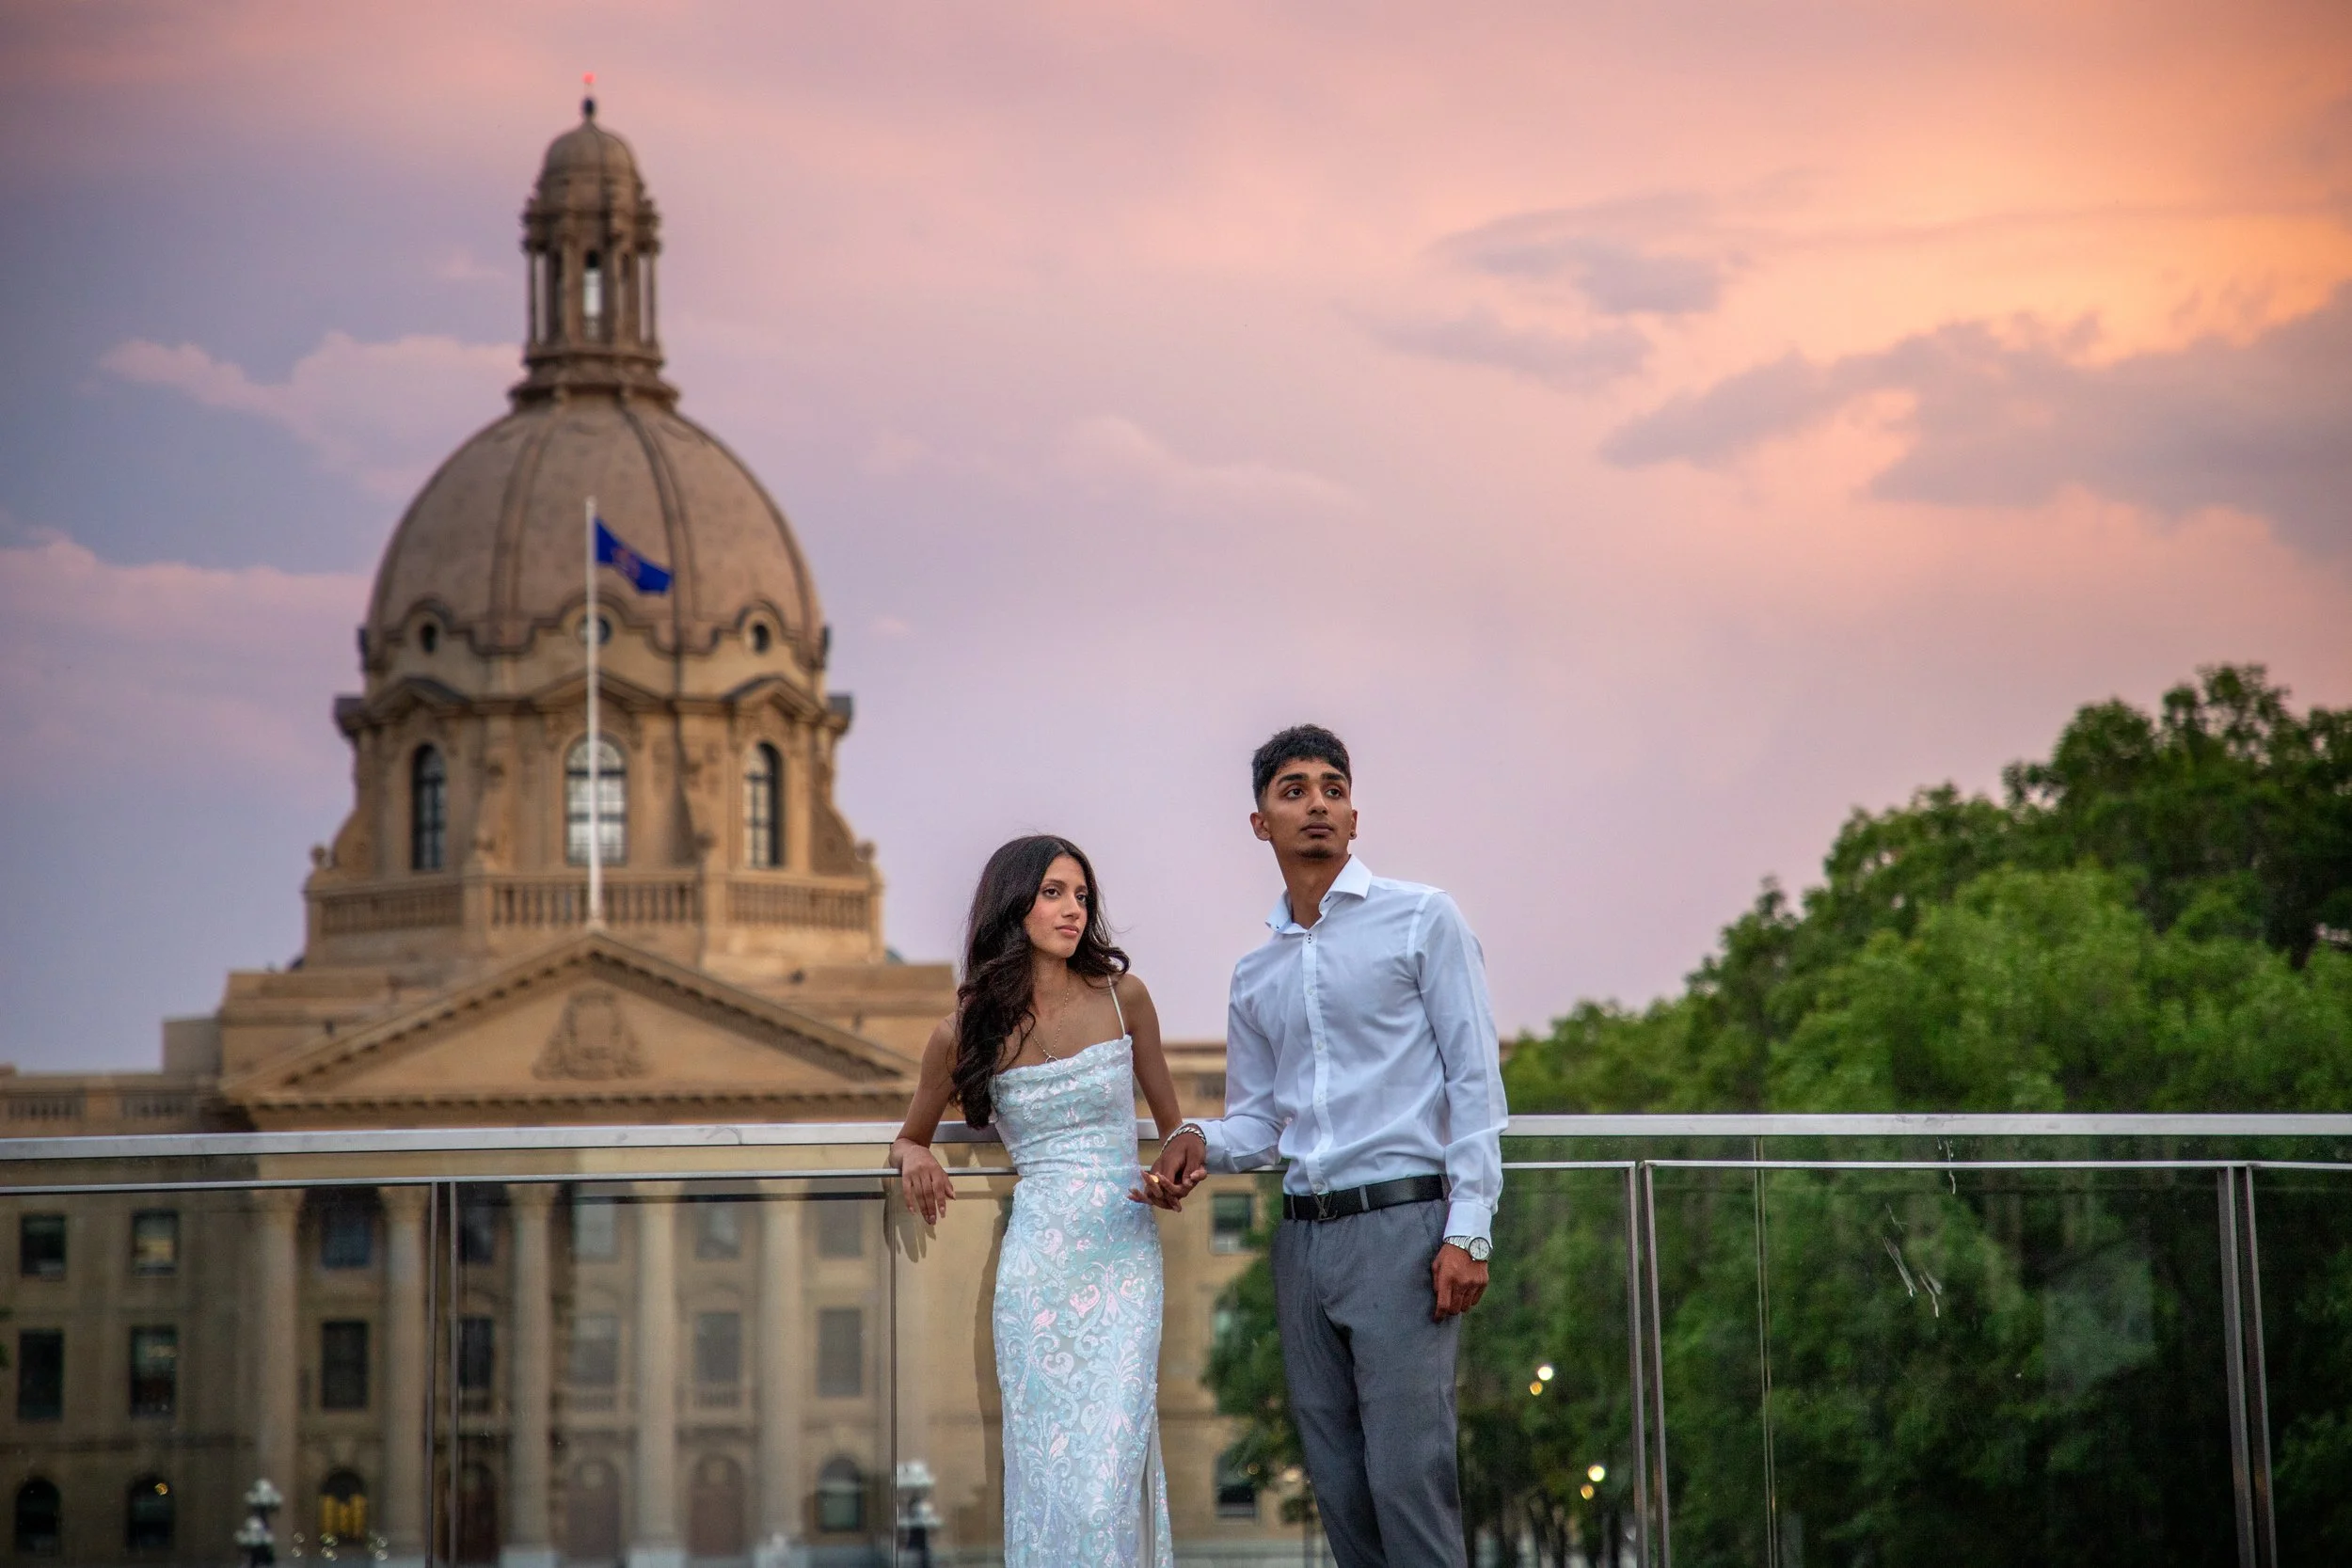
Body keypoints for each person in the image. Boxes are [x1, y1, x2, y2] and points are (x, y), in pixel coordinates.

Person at [1139, 724, 1507, 1568]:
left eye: (1333, 788)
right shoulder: (1256, 973)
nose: (1318, 804)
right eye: (1294, 789)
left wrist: (1470, 1228)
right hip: (1303, 1242)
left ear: (1354, 813)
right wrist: (1194, 1137)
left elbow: (1475, 1083)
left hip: (1406, 1231)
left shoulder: (1424, 919)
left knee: (1410, 1478)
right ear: (1261, 821)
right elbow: (1261, 1123)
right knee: (1338, 1485)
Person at [890, 835, 1185, 1568]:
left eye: (1082, 895)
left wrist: (1175, 1168)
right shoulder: (963, 1030)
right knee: (1050, 1478)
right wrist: (917, 1154)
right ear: (1012, 902)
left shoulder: (1128, 998)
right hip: (1037, 1274)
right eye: (1054, 892)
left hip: (1123, 1259)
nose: (1073, 909)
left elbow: (1176, 1127)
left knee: (1107, 1480)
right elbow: (908, 1136)